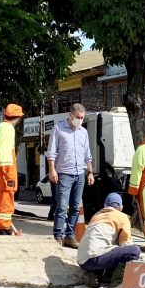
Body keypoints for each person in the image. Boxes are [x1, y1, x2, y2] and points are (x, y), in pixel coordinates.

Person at [46, 103, 94, 249]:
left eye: (82, 118)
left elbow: (87, 155)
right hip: (64, 173)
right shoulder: (58, 129)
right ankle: (58, 235)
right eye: (78, 117)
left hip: (79, 173)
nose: (80, 120)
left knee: (75, 207)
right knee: (61, 206)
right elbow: (51, 152)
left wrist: (90, 172)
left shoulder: (83, 132)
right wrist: (52, 170)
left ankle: (70, 235)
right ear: (70, 115)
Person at [77, 192, 140, 288]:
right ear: (121, 207)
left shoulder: (97, 215)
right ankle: (117, 284)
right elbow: (125, 244)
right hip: (96, 258)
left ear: (105, 206)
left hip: (83, 260)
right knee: (133, 251)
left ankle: (92, 275)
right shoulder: (122, 217)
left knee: (108, 249)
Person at [0, 103, 24, 235]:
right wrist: (8, 175)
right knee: (5, 207)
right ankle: (4, 232)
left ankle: (4, 229)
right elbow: (4, 154)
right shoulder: (8, 129)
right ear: (19, 118)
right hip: (4, 176)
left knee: (1, 207)